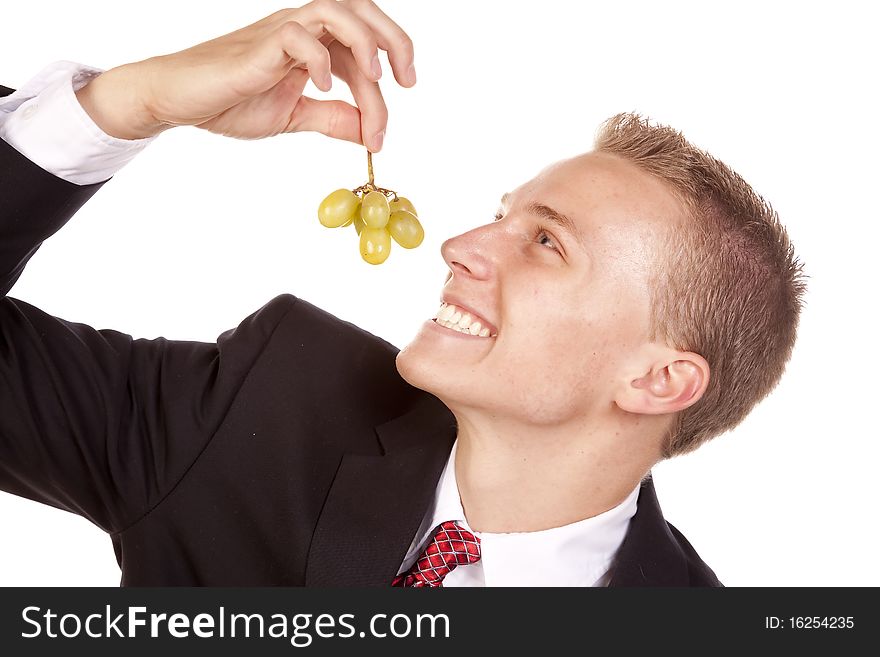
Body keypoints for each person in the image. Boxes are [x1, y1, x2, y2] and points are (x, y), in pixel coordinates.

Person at [0, 1, 804, 586]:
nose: (457, 248)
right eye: (501, 215)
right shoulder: (263, 406)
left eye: (546, 242)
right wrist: (127, 105)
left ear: (659, 379)